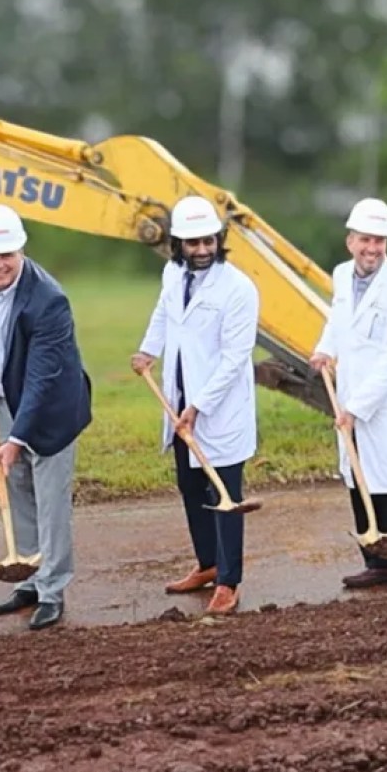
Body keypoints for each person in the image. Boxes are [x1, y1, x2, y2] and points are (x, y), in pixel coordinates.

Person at [131, 196, 259, 616]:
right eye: (193, 243)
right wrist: (148, 351)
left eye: (208, 241)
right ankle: (206, 565)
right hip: (178, 402)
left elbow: (234, 358)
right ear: (177, 244)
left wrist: (200, 406)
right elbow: (164, 314)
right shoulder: (173, 273)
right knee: (191, 488)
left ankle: (228, 581)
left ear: (219, 239)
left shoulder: (239, 289)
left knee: (225, 496)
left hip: (218, 410)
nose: (202, 250)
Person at [0, 204, 92, 631]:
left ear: (21, 249)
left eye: (5, 254)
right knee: (19, 490)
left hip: (51, 412)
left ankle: (52, 589)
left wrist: (16, 439)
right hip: (9, 403)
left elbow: (42, 378)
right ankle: (26, 575)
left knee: (50, 503)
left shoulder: (49, 300)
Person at [310, 198, 387, 596]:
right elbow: (337, 321)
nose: (372, 248)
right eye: (365, 239)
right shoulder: (342, 276)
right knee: (359, 481)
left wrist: (357, 408)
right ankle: (375, 562)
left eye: (379, 240)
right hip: (351, 396)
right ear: (350, 241)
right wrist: (325, 348)